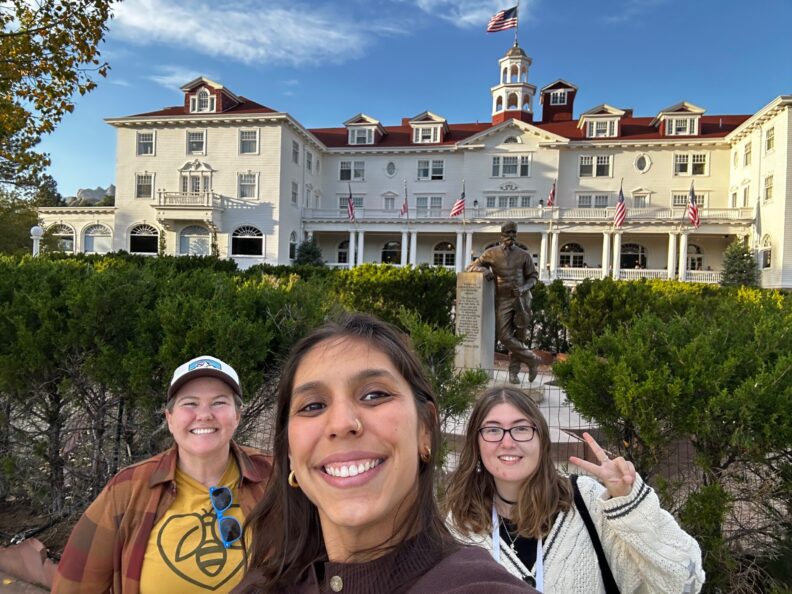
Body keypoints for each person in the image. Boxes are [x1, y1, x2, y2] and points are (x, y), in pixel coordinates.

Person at [234, 313, 534, 593]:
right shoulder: (263, 586)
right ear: (289, 452)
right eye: (313, 406)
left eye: (374, 395)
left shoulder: (477, 587)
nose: (340, 424)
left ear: (425, 429)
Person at [445, 387, 705, 594]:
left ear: (541, 439)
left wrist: (630, 504)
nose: (508, 441)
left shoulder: (588, 502)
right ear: (476, 443)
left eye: (521, 428)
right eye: (492, 430)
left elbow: (684, 582)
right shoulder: (458, 526)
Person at [52, 356, 272, 594]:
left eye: (219, 403)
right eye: (190, 403)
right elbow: (73, 585)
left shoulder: (275, 477)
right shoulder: (128, 489)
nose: (204, 414)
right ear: (170, 419)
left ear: (237, 416)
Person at [466, 221, 541, 384]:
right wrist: (484, 269)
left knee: (519, 337)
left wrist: (523, 288)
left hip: (522, 300)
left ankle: (513, 373)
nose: (511, 236)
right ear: (501, 235)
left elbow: (534, 277)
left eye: (514, 233)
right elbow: (471, 266)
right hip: (503, 299)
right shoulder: (491, 253)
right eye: (508, 233)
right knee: (505, 336)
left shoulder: (524, 255)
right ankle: (532, 359)